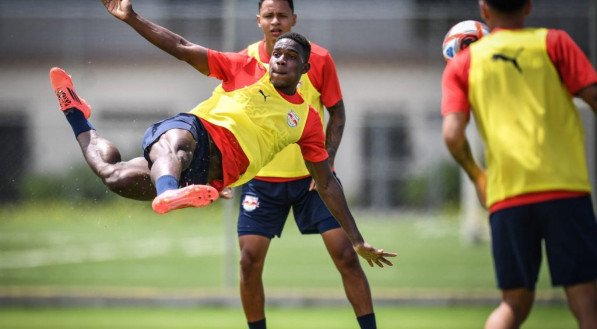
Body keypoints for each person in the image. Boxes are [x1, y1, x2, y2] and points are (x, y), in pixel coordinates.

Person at [52, 1, 396, 270]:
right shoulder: (243, 66)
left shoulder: (305, 121)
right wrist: (131, 17)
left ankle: (78, 115)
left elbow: (326, 183)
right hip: (197, 130)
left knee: (114, 176)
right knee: (176, 145)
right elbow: (182, 46)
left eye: (291, 57)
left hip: (217, 173)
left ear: (305, 69)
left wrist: (356, 239)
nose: (280, 60)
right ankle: (163, 186)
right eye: (277, 53)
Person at [441, 0, 597, 328]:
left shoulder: (463, 65)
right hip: (565, 190)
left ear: (484, 10)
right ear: (528, 6)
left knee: (513, 305)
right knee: (587, 304)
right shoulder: (555, 43)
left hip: (508, 195)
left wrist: (478, 177)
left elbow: (453, 135)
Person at [225, 1, 377, 329]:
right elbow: (233, 124)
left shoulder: (318, 59)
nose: (276, 21)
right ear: (259, 21)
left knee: (348, 255)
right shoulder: (245, 62)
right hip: (261, 182)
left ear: (294, 19)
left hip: (313, 182)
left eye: (282, 15)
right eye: (269, 15)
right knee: (249, 262)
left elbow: (337, 111)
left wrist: (329, 159)